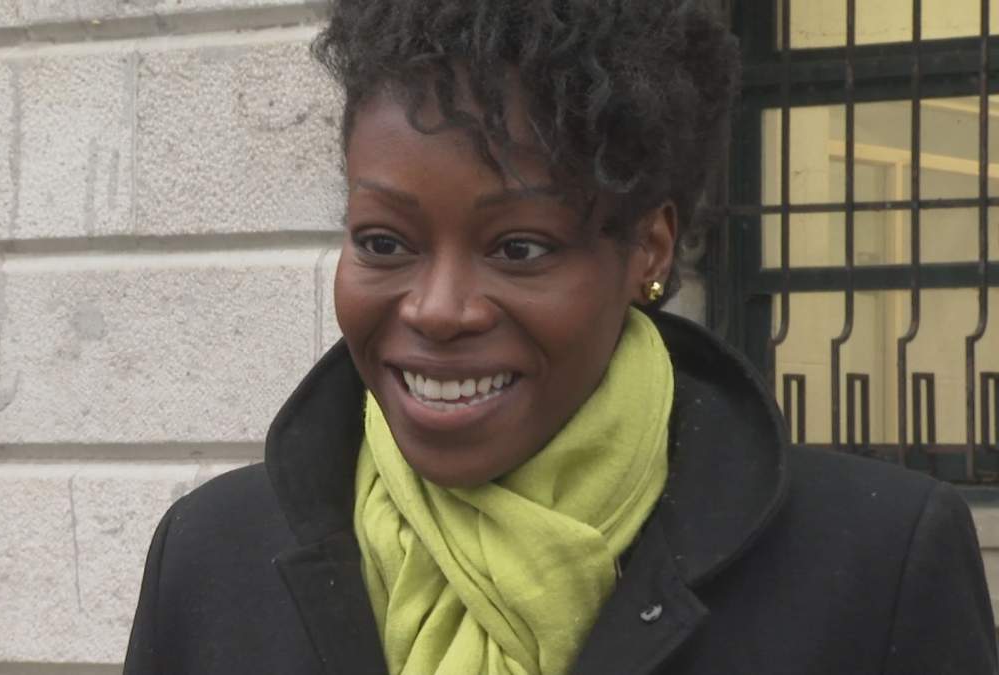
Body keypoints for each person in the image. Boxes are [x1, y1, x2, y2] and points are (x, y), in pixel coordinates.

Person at [123, 1, 999, 673]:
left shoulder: (875, 570)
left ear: (647, 248)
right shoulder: (209, 562)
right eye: (384, 242)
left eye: (519, 247)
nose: (438, 308)